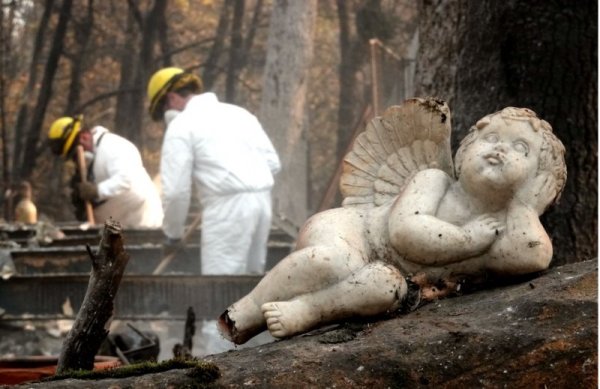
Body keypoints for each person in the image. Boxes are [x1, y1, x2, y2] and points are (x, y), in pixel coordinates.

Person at [217, 101, 567, 345]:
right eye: (491, 139)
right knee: (332, 262)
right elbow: (405, 233)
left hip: (391, 274)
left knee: (385, 286)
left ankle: (306, 310)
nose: (500, 149)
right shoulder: (434, 180)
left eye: (521, 148)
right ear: (466, 148)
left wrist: (525, 204)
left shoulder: (505, 227)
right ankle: (244, 313)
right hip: (354, 232)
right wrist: (466, 238)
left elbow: (532, 256)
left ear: (537, 178)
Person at [146, 67, 281, 275]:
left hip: (225, 211)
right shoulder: (240, 114)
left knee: (221, 286)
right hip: (262, 203)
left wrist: (172, 235)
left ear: (171, 99)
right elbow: (273, 163)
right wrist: (240, 184)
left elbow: (175, 192)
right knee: (251, 282)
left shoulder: (181, 126)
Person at [47, 116, 163, 228]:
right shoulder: (94, 158)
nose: (75, 158)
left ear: (84, 137)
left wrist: (96, 191)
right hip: (119, 229)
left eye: (74, 152)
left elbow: (125, 180)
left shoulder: (113, 146)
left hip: (143, 222)